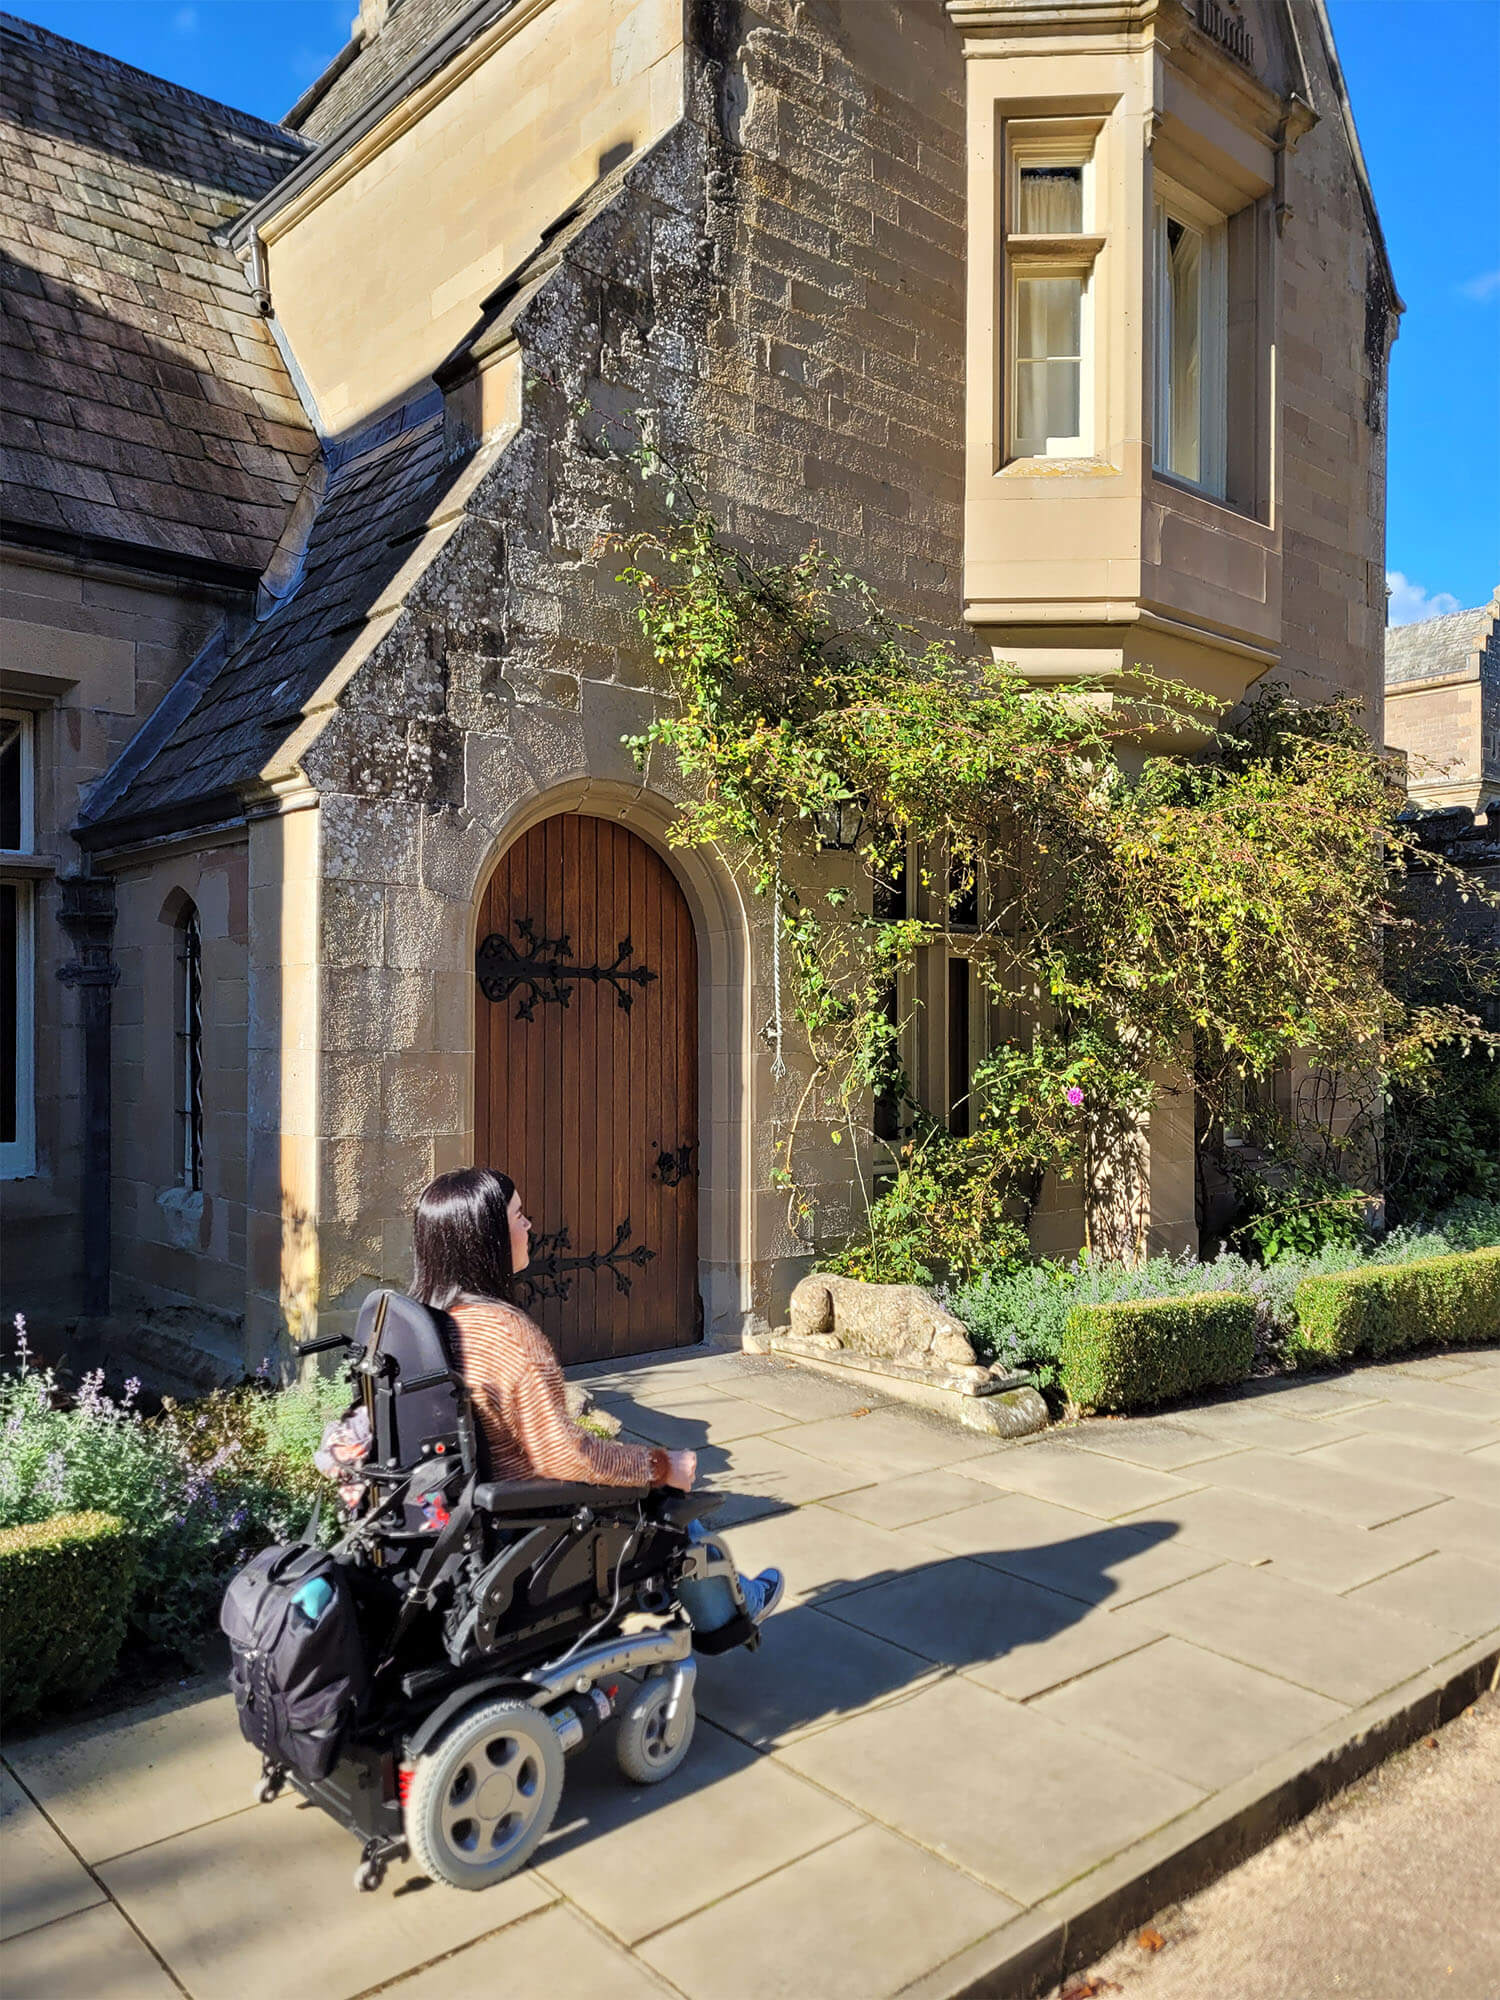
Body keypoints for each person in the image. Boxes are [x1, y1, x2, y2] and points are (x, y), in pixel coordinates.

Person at [409, 1165, 783, 1633]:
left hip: (468, 1519)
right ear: (486, 1238)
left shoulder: (426, 1323)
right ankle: (725, 1617)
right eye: (518, 1216)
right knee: (671, 1501)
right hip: (531, 1524)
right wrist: (661, 1466)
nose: (529, 1226)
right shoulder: (506, 1336)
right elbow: (565, 1457)